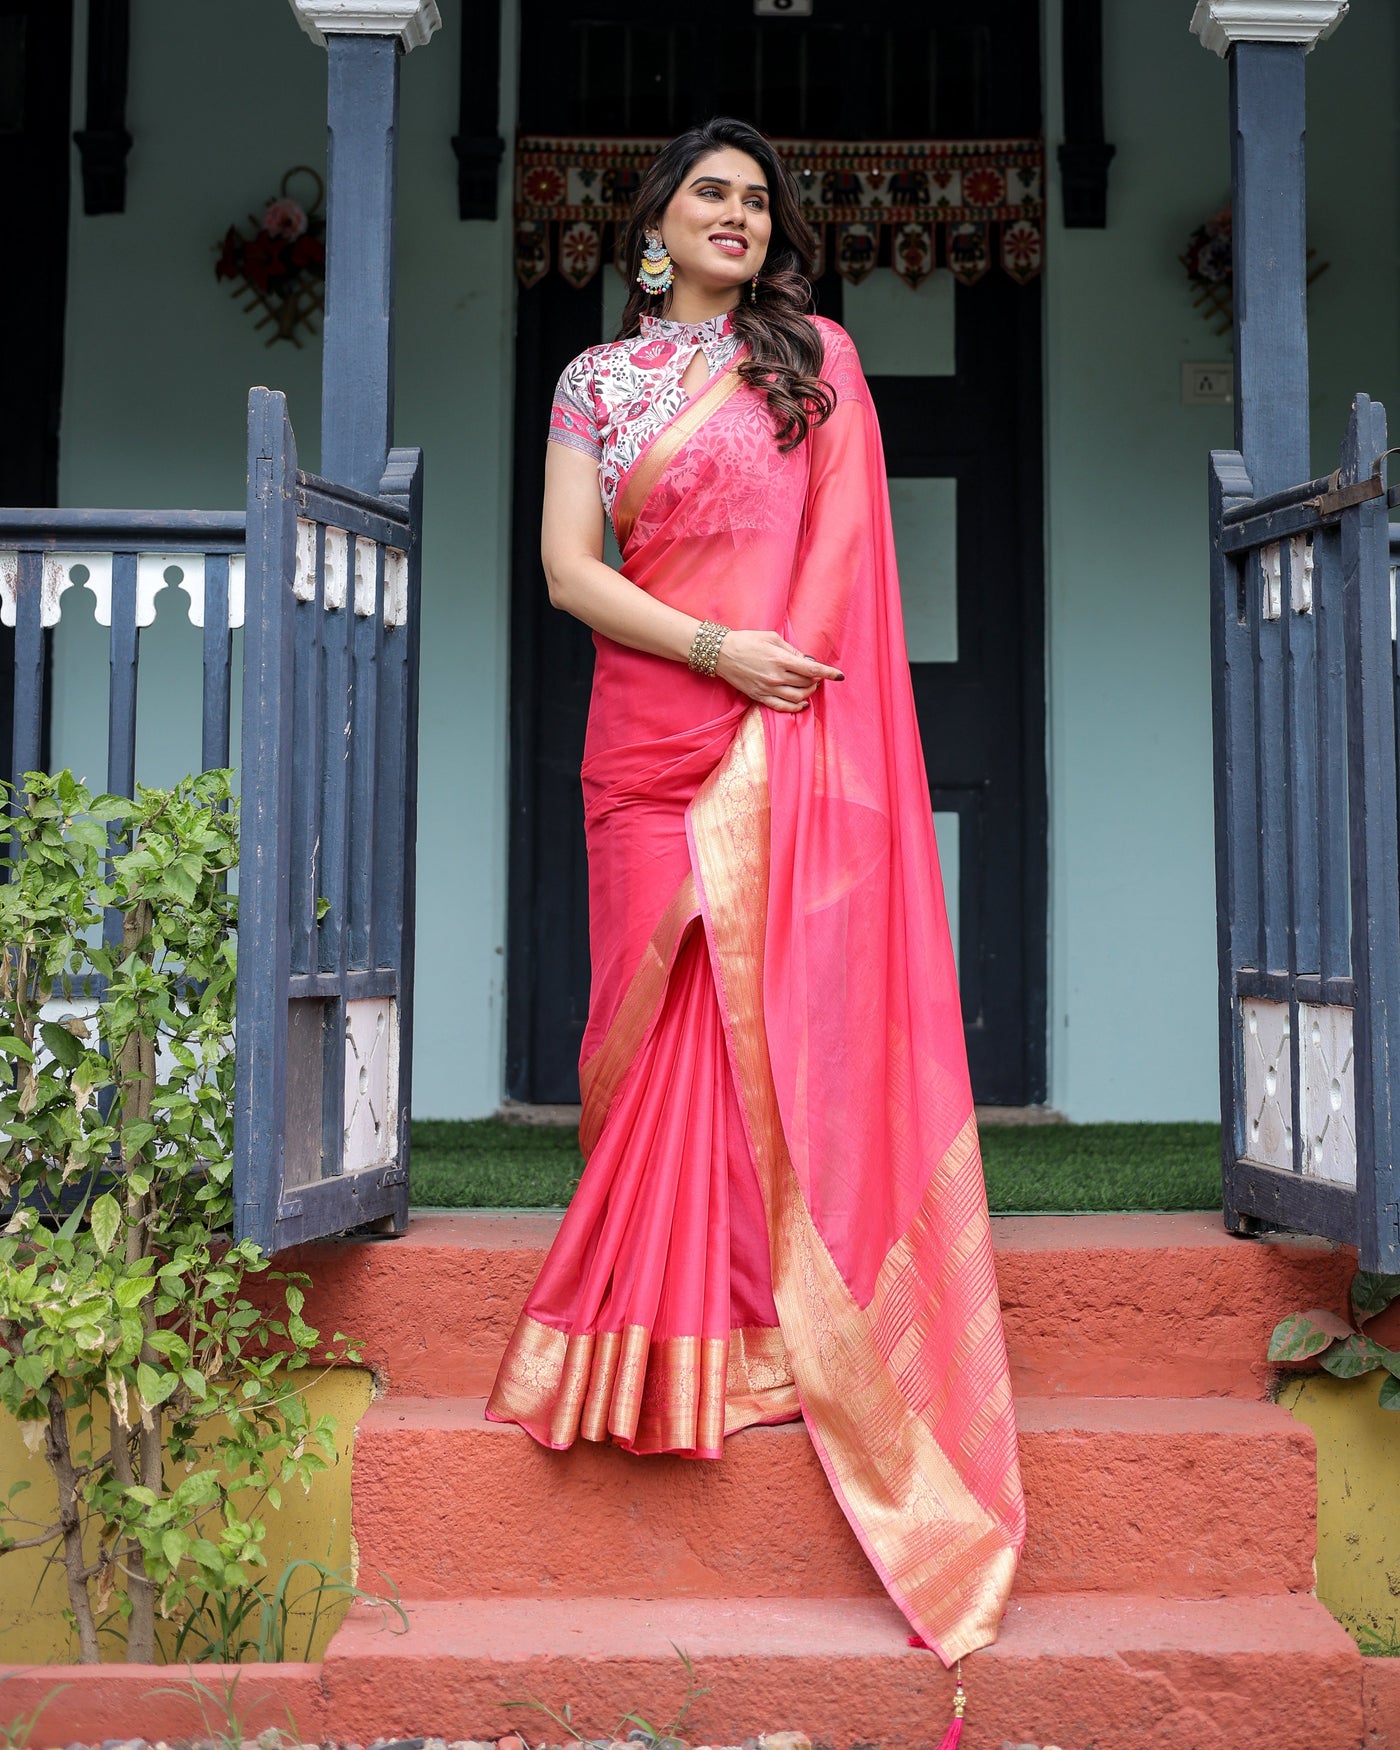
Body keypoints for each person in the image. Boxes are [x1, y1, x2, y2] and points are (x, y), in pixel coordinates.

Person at [487, 116, 1025, 1672]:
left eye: (756, 199)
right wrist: (713, 650)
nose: (735, 213)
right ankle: (655, 1350)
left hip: (777, 731)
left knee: (755, 1035)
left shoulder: (817, 363)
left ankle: (761, 1332)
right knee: (652, 1033)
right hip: (641, 738)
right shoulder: (595, 383)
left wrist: (770, 698)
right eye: (707, 192)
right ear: (653, 222)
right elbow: (568, 571)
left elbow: (846, 548)